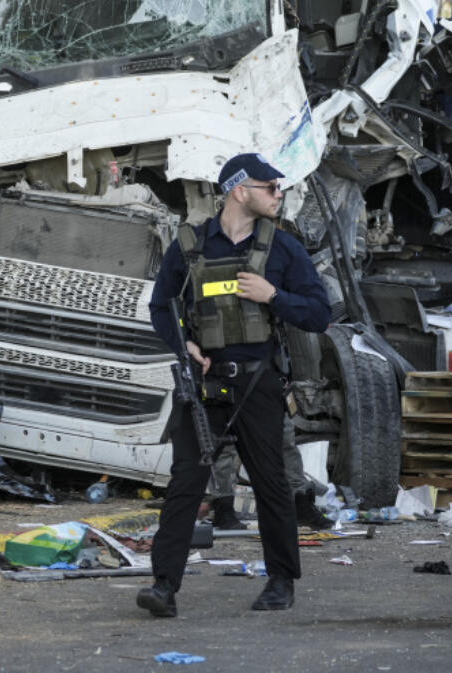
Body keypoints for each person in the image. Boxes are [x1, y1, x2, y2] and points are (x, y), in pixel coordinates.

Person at [137, 153, 331, 616]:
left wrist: (274, 296)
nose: (278, 194)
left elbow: (319, 313)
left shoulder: (284, 249)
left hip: (258, 383)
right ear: (240, 190)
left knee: (271, 484)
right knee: (186, 483)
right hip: (204, 386)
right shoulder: (190, 246)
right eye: (271, 187)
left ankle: (281, 581)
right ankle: (164, 586)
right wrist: (184, 345)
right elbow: (161, 308)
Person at [207, 414, 330, 531]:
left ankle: (301, 504)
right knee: (223, 441)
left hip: (264, 393)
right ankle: (223, 509)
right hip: (226, 395)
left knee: (283, 435)